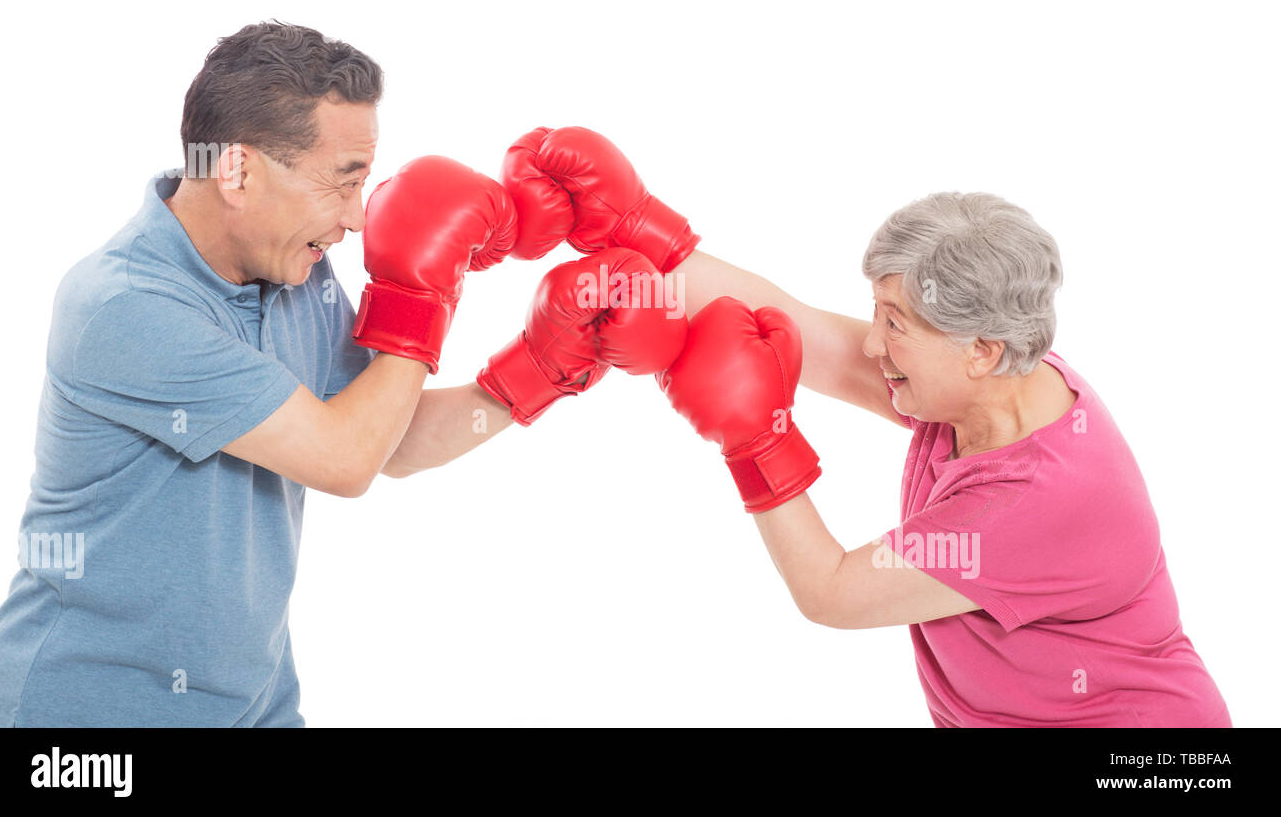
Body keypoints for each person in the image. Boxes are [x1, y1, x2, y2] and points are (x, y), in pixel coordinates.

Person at [0, 24, 683, 727]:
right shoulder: (124, 305)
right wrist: (421, 295)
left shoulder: (296, 274)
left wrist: (545, 366)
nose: (356, 218)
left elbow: (381, 439)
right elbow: (343, 460)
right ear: (238, 172)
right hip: (84, 722)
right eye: (341, 182)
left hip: (255, 706)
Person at [505, 125, 1232, 727]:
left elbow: (834, 591)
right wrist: (637, 233)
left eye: (897, 325)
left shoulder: (1030, 502)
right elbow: (810, 332)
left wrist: (755, 440)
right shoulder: (993, 386)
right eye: (879, 313)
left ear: (980, 349)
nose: (874, 345)